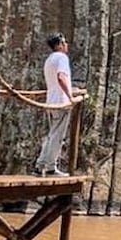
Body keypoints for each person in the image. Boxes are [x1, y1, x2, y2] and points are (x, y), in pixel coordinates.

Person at [34, 32, 81, 176]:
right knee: (57, 136)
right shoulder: (62, 58)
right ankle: (50, 168)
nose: (66, 45)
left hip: (51, 101)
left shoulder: (49, 60)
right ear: (59, 45)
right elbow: (61, 78)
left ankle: (40, 164)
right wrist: (70, 96)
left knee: (52, 134)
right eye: (64, 42)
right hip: (61, 102)